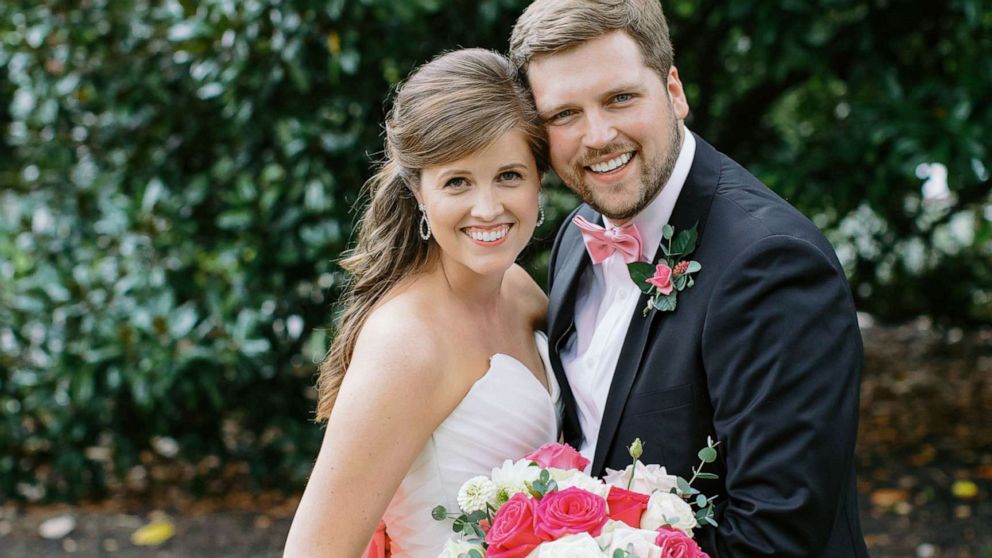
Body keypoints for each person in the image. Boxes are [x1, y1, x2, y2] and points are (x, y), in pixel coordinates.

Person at [509, 1, 870, 556]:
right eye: (564, 115)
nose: (598, 136)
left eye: (620, 98)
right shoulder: (578, 235)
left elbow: (775, 538)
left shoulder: (773, 264)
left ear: (674, 91)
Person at [282, 49, 560, 558]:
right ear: (418, 191)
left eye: (509, 175)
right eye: (458, 181)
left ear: (540, 180)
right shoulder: (405, 342)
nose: (488, 208)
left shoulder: (520, 292)